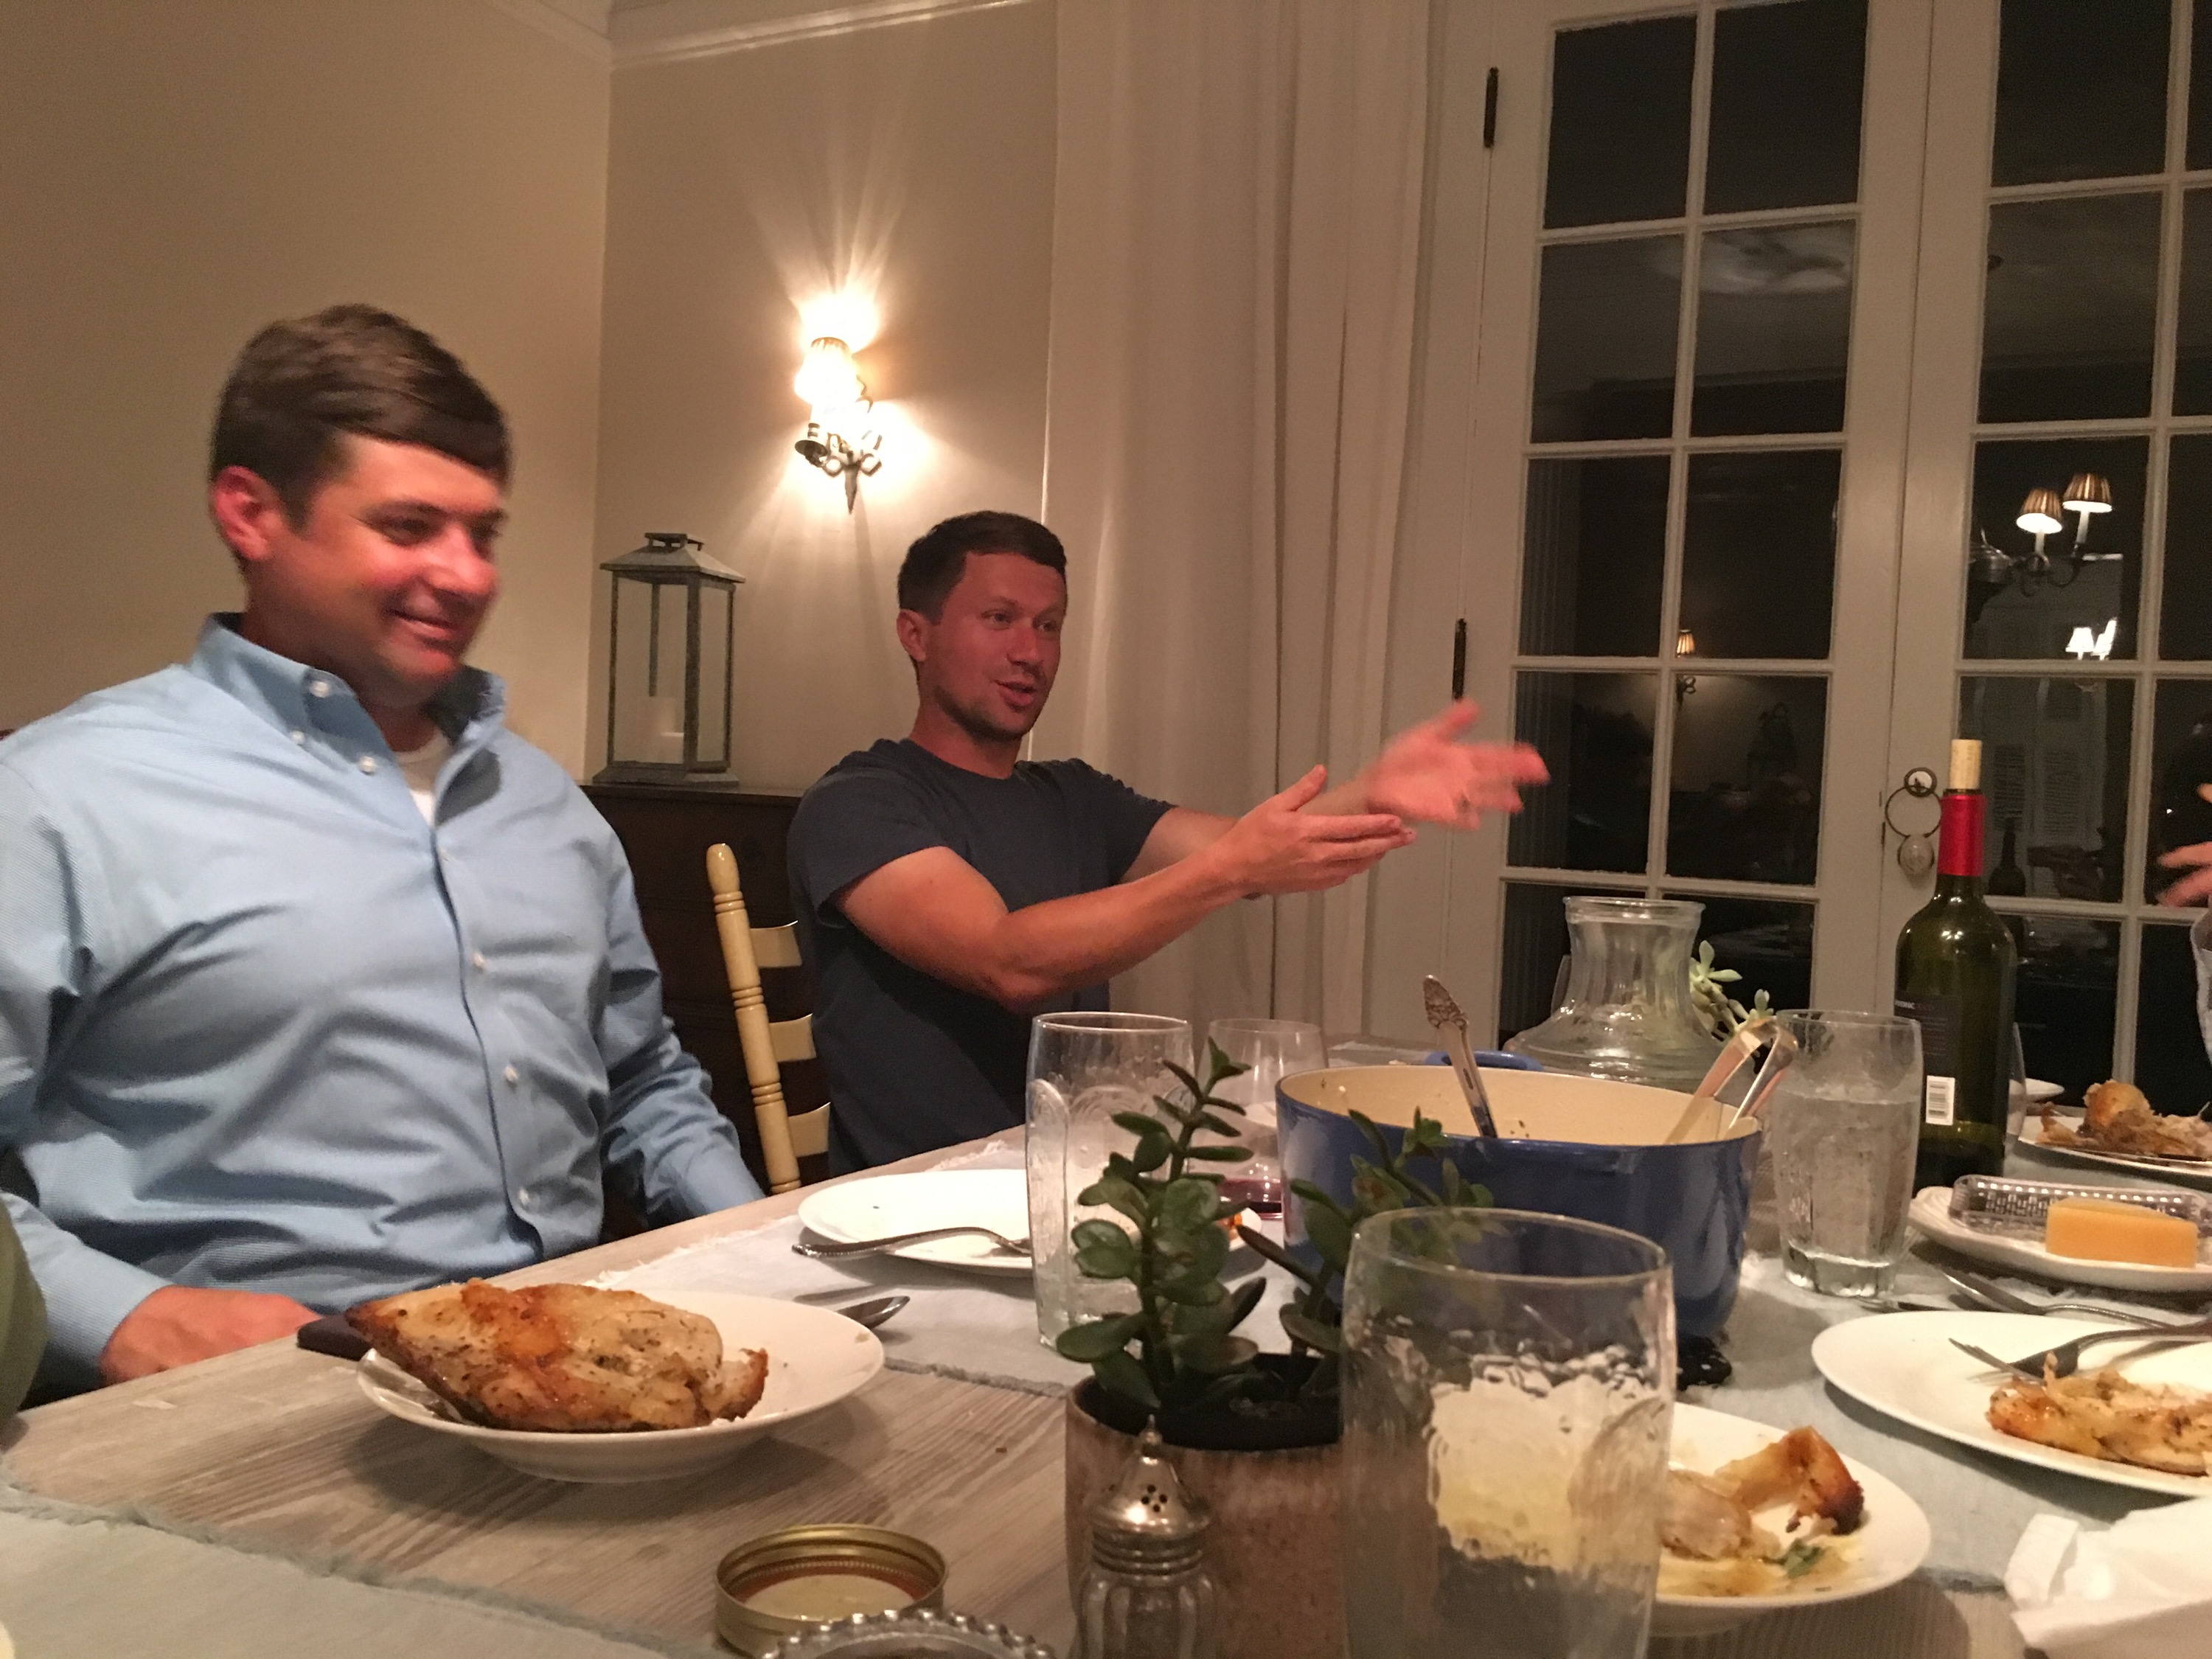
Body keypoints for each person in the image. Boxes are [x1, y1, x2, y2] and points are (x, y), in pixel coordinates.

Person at [0, 305, 762, 1393]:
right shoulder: (58, 798)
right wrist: (131, 1318)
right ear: (251, 513)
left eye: (483, 534)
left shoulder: (549, 808)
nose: (466, 574)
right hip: (242, 1404)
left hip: (568, 1384)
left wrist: (763, 1254)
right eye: (409, 526)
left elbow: (641, 1077)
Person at [789, 511, 1548, 1171]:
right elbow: (1008, 962)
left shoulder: (1073, 795)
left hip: (1073, 1176)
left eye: (1049, 625)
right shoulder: (859, 803)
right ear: (915, 635)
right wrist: (1227, 870)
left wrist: (1373, 791)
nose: (1031, 652)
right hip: (911, 1207)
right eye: (1000, 619)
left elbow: (1254, 854)